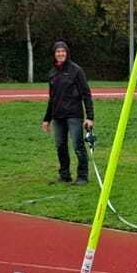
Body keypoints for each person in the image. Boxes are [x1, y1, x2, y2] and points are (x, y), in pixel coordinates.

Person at [41, 40, 94, 183]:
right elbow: (52, 98)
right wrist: (47, 119)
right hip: (58, 116)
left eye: (63, 51)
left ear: (67, 53)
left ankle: (82, 176)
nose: (60, 54)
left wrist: (89, 117)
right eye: (58, 51)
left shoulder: (76, 70)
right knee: (60, 146)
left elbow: (86, 94)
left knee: (78, 146)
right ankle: (64, 175)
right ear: (54, 54)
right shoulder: (52, 73)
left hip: (74, 115)